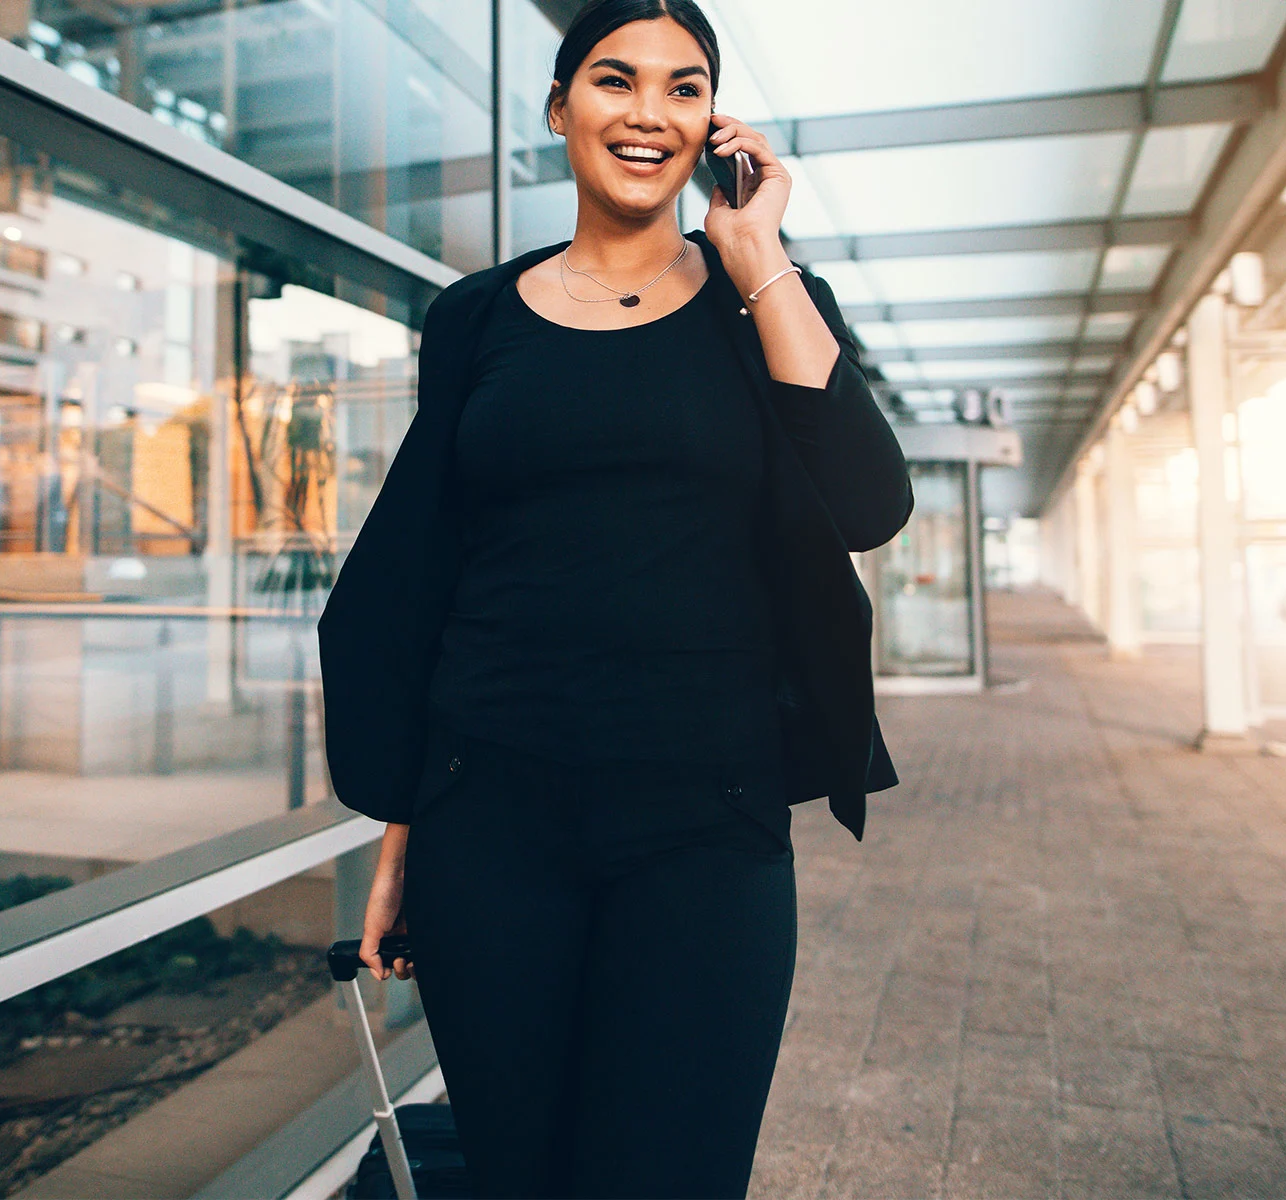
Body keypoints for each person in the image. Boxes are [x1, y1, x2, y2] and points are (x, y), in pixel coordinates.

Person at [315, 0, 911, 1194]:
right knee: (518, 1174)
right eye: (615, 80)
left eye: (684, 88)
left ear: (714, 126)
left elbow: (866, 503)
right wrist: (404, 828)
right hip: (493, 824)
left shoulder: (770, 301)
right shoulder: (475, 318)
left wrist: (757, 258)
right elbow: (435, 573)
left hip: (705, 828)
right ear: (560, 109)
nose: (649, 112)